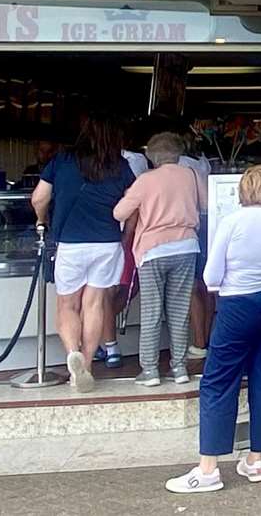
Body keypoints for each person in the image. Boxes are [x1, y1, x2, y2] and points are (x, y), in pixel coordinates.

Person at [167, 167, 261, 494]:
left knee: (219, 381)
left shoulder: (232, 222)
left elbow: (210, 277)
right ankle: (256, 459)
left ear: (242, 191)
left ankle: (208, 469)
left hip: (237, 306)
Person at [31, 116, 133, 393]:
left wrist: (43, 221)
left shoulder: (62, 161)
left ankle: (71, 356)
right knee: (95, 304)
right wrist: (126, 235)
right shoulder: (120, 166)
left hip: (70, 243)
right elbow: (133, 206)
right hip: (106, 243)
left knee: (68, 305)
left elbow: (39, 198)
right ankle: (86, 364)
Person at [114, 132, 207, 386]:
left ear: (152, 156)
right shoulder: (191, 175)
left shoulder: (146, 180)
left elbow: (119, 212)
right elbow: (207, 204)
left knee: (152, 312)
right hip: (186, 246)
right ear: (178, 154)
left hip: (153, 250)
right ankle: (179, 369)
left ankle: (151, 370)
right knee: (179, 312)